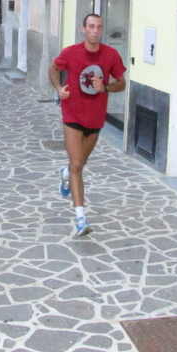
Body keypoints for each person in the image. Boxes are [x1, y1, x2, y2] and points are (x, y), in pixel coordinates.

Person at [48, 13, 126, 236]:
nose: (95, 31)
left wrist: (107, 87)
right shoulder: (71, 53)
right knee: (77, 163)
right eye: (91, 26)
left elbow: (122, 83)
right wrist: (58, 88)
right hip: (72, 113)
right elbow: (53, 69)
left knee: (78, 164)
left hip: (95, 117)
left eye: (99, 27)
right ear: (83, 29)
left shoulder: (111, 55)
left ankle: (65, 174)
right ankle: (81, 218)